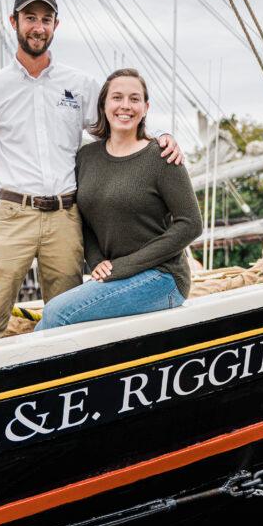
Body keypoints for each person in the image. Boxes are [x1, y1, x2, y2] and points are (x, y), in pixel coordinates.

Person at [0, 0, 182, 343]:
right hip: (13, 214)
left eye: (46, 19)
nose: (38, 27)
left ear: (55, 26)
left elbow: (119, 120)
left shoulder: (79, 85)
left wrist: (161, 138)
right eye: (30, 18)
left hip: (65, 218)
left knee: (67, 322)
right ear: (13, 21)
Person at [36, 68, 202, 331]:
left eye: (134, 99)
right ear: (103, 104)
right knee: (51, 318)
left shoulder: (162, 157)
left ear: (145, 107)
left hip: (162, 278)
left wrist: (122, 267)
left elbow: (191, 224)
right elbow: (83, 218)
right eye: (117, 97)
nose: (125, 106)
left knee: (56, 312)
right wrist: (96, 260)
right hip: (115, 276)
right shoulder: (86, 157)